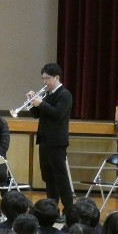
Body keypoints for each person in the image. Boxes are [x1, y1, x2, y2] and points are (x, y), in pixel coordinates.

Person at [28, 62, 73, 220]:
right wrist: (33, 102)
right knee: (48, 177)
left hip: (57, 142)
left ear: (57, 77)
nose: (44, 82)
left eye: (47, 78)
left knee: (60, 177)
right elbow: (37, 115)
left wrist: (41, 103)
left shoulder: (64, 94)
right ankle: (52, 210)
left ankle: (69, 210)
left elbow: (58, 114)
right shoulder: (48, 94)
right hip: (44, 140)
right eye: (43, 79)